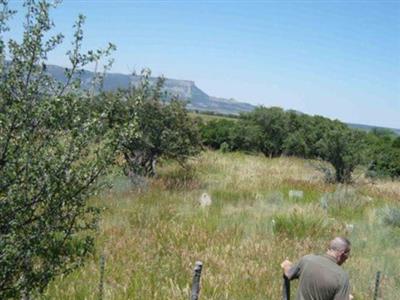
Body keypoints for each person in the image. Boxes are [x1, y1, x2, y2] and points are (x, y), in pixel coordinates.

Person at [280, 237, 353, 300]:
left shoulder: (307, 260)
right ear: (342, 253)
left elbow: (288, 274)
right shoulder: (342, 277)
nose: (346, 260)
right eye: (347, 256)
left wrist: (287, 266)